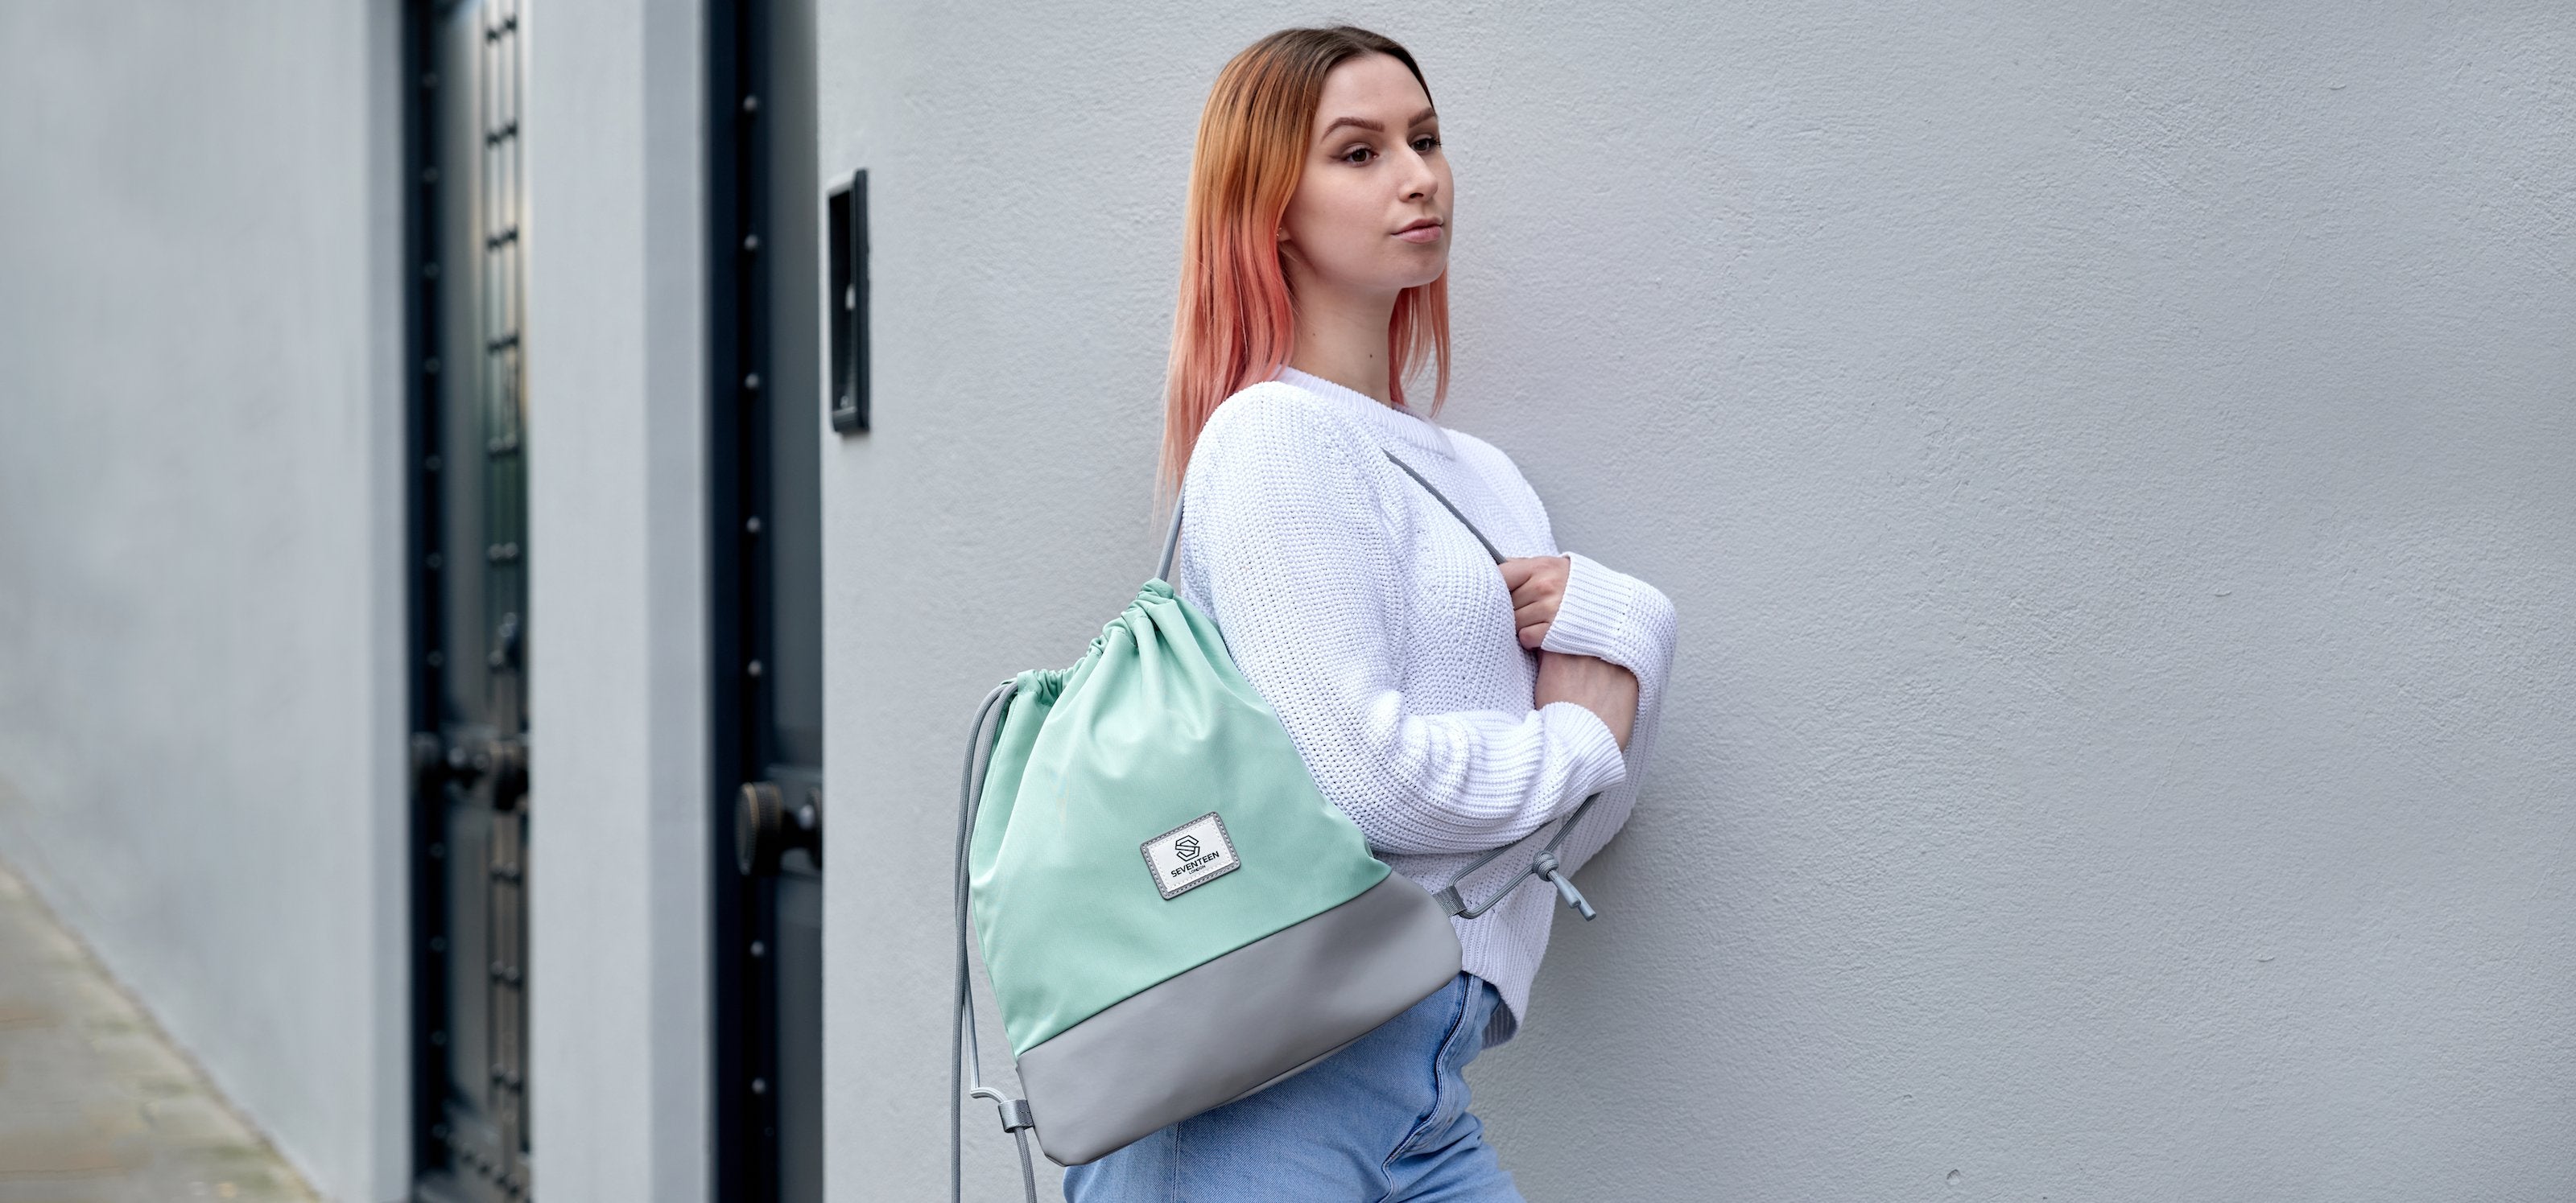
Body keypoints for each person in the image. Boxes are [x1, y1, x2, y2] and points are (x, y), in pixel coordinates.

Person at [1059, 24, 1679, 1203]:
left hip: (1427, 1090)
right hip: (1258, 1105)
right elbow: (1364, 786)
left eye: (1427, 139)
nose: (1418, 175)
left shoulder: (1483, 479)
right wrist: (1575, 735)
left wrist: (1631, 625)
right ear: (1273, 208)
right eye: (1360, 151)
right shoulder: (1271, 437)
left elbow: (1559, 839)